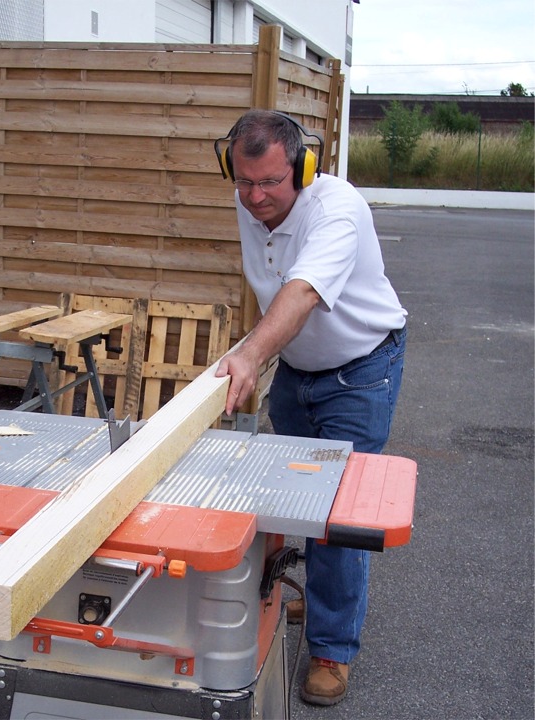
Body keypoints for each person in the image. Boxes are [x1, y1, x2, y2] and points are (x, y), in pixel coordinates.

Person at [214, 109, 407, 706]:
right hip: (298, 369)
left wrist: (251, 356)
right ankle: (321, 599)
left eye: (271, 182)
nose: (256, 197)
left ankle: (331, 649)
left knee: (339, 515)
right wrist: (249, 351)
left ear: (303, 168)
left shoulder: (337, 210)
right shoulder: (251, 202)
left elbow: (300, 291)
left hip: (360, 370)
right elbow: (270, 285)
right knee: (299, 496)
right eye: (244, 182)